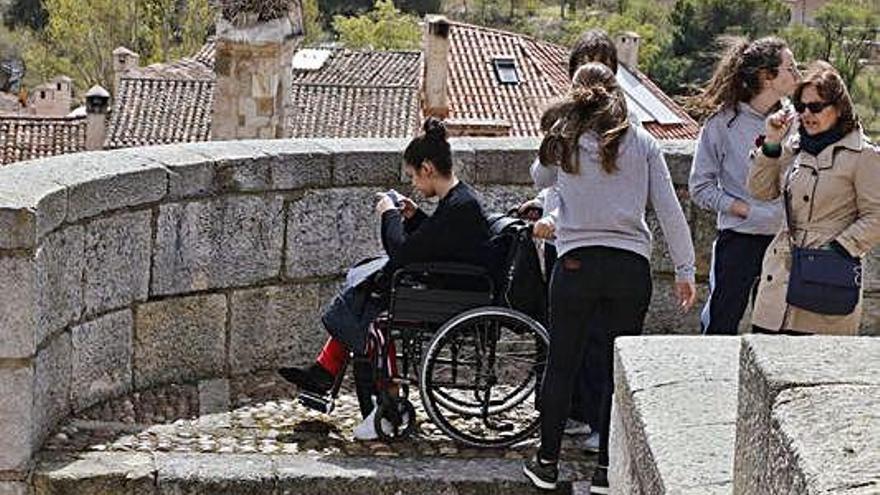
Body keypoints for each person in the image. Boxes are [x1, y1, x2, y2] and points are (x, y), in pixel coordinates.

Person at [522, 63, 697, 494]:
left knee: (562, 363)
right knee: (616, 369)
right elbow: (669, 210)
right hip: (628, 267)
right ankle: (605, 469)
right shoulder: (642, 142)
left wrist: (559, 136)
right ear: (619, 95)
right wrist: (685, 269)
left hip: (576, 261)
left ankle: (547, 462)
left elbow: (539, 178)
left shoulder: (565, 142)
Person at [278, 117, 491, 438]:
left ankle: (379, 406)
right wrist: (414, 216)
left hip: (448, 298)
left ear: (428, 168)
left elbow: (403, 252)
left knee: (371, 309)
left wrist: (388, 214)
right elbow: (436, 242)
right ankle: (330, 374)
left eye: (413, 176)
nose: (415, 185)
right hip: (446, 287)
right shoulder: (460, 201)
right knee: (368, 287)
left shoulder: (460, 206)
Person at [518, 28, 621, 447]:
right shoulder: (566, 121)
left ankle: (600, 420)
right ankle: (574, 413)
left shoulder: (625, 125)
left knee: (602, 337)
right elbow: (542, 175)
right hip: (570, 239)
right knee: (567, 333)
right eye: (585, 68)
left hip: (610, 239)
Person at [748, 61, 880, 335]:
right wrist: (772, 142)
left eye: (816, 106)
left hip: (827, 279)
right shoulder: (794, 147)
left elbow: (876, 216)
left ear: (839, 107)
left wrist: (839, 249)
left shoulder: (863, 155)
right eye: (801, 107)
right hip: (780, 278)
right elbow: (761, 191)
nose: (807, 114)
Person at [688, 37, 801, 335]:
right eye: (790, 68)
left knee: (776, 334)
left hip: (785, 243)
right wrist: (740, 208)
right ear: (767, 76)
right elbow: (700, 187)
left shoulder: (800, 120)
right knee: (721, 325)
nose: (798, 76)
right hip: (738, 240)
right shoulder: (721, 123)